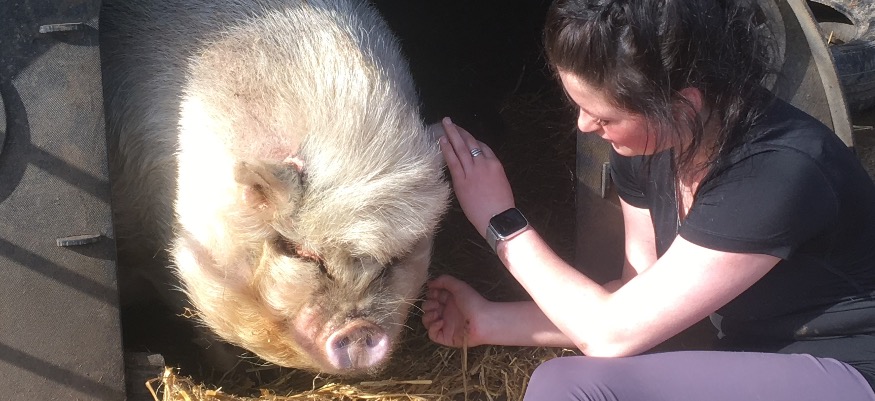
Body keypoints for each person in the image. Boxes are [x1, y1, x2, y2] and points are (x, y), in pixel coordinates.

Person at [421, 0, 875, 399]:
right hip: (747, 359)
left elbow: (610, 333)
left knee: (570, 387)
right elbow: (629, 302)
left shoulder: (776, 171)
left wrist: (501, 221)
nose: (583, 126)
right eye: (580, 106)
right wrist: (487, 321)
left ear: (683, 106)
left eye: (603, 116)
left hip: (848, 372)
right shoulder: (648, 149)